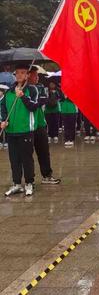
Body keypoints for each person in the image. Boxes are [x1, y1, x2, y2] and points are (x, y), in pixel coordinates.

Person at [0, 63, 38, 196]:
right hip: (11, 131)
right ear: (14, 75)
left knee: (26, 158)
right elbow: (3, 108)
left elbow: (34, 106)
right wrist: (3, 120)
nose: (20, 75)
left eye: (23, 72)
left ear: (28, 75)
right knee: (14, 159)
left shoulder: (32, 90)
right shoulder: (9, 91)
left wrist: (22, 96)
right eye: (17, 73)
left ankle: (29, 183)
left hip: (26, 130)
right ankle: (16, 183)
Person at [28, 67, 61, 185]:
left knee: (44, 152)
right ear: (28, 75)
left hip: (40, 124)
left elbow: (42, 101)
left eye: (37, 75)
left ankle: (47, 175)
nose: (37, 77)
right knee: (27, 155)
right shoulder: (21, 89)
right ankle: (28, 180)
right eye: (34, 75)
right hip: (28, 127)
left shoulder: (40, 87)